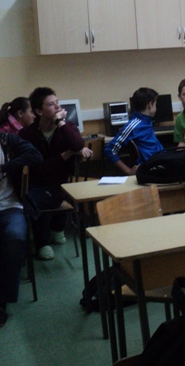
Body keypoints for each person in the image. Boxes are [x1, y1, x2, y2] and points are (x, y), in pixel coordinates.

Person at [19, 87, 92, 260]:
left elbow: (77, 145)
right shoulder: (27, 134)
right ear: (39, 111)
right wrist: (65, 155)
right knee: (32, 197)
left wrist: (60, 122)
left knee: (43, 196)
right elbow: (38, 170)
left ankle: (54, 232)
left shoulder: (67, 127)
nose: (58, 107)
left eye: (57, 102)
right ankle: (43, 242)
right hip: (36, 184)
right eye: (51, 104)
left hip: (60, 185)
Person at [0, 132, 42, 327]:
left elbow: (35, 156)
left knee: (15, 237)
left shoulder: (7, 141)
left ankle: (2, 301)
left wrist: (5, 167)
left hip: (11, 206)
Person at [104, 87, 165, 175]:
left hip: (161, 160)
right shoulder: (133, 125)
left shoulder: (146, 120)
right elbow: (110, 150)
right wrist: (128, 171)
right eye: (155, 104)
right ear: (150, 105)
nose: (156, 107)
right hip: (152, 168)